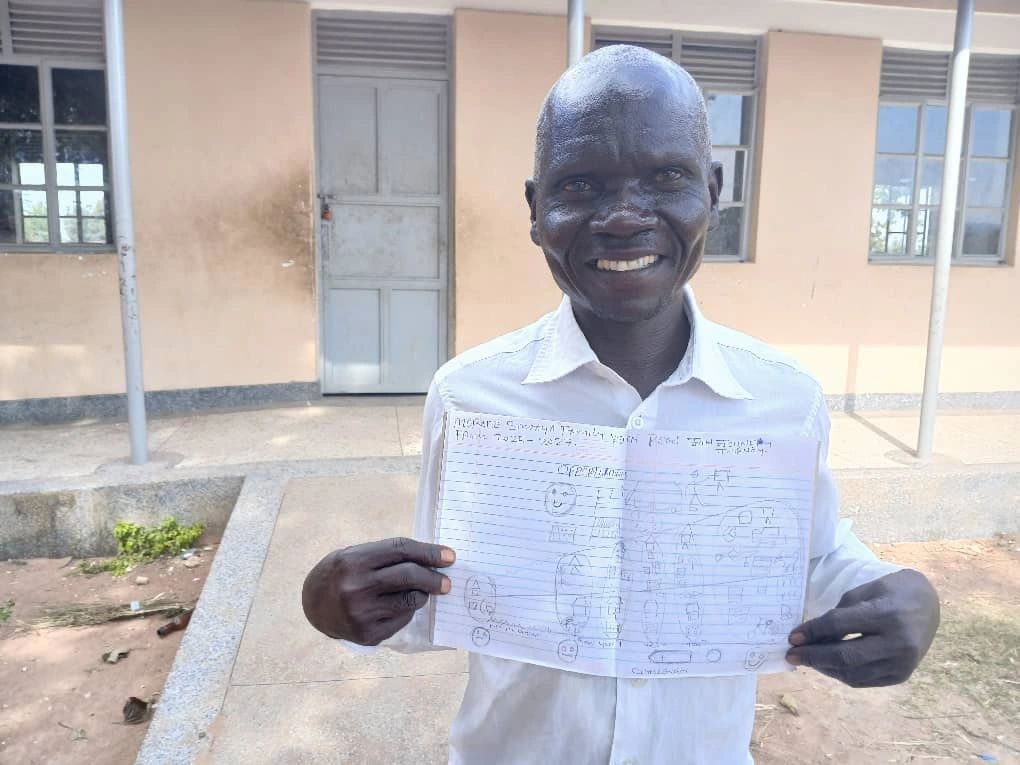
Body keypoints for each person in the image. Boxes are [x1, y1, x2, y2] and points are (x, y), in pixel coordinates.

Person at [302, 45, 940, 764]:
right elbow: (444, 591)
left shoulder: (782, 397)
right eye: (580, 185)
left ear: (713, 191)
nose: (624, 217)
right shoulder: (471, 397)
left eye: (666, 177)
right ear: (535, 210)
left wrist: (900, 593)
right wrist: (337, 604)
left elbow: (811, 556)